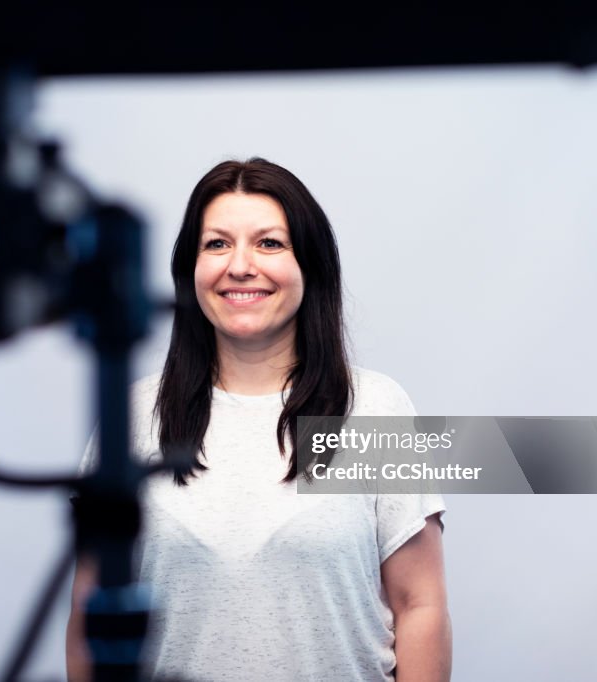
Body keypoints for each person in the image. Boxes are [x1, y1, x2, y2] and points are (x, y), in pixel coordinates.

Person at [67, 158, 451, 681]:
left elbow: (420, 606)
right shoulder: (131, 415)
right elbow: (91, 616)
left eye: (269, 243)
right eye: (217, 244)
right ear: (190, 269)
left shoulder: (376, 408)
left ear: (308, 265)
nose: (240, 265)